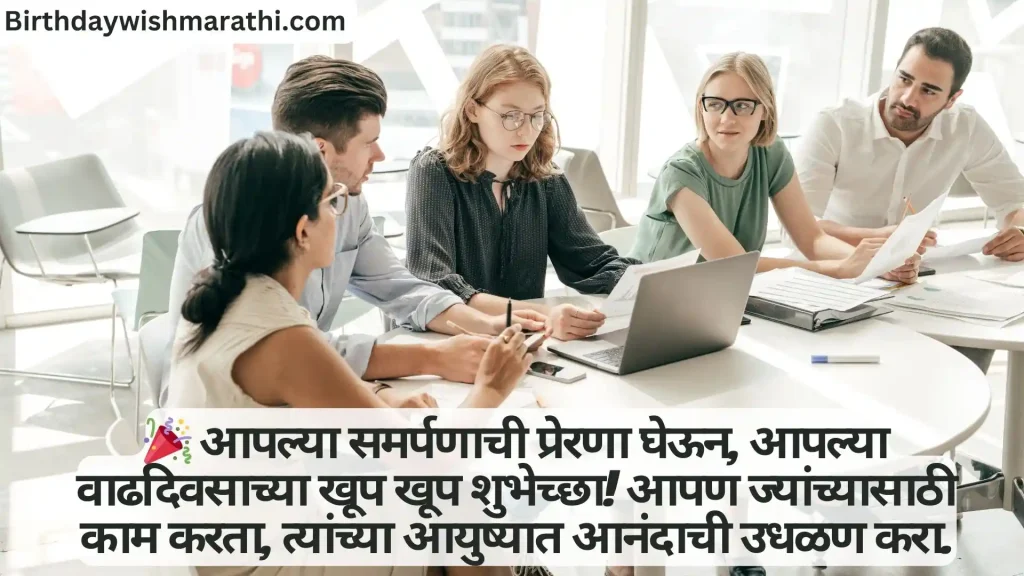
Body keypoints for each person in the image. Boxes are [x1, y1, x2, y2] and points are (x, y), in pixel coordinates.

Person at [165, 130, 533, 576]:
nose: (340, 213)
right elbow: (426, 460)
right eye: (330, 203)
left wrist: (379, 396)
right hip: (264, 562)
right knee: (465, 505)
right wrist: (490, 391)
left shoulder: (224, 296)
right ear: (303, 231)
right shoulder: (283, 335)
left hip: (228, 536)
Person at [162, 55, 547, 407]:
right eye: (371, 142)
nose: (379, 156)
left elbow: (397, 286)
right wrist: (484, 384)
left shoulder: (339, 214)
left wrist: (484, 324)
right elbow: (429, 465)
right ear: (320, 150)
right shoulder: (251, 262)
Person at [794, 27, 1024, 373]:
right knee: (866, 376)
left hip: (915, 280)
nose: (907, 98)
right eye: (904, 79)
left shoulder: (966, 127)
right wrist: (880, 242)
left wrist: (1019, 229)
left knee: (966, 358)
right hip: (836, 280)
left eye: (929, 91)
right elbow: (796, 227)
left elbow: (1014, 199)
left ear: (952, 99)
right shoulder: (835, 125)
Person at [404, 44, 641, 342]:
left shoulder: (545, 179)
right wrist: (541, 316)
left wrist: (646, 283)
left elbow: (591, 262)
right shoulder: (434, 172)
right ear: (472, 109)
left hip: (524, 344)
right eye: (511, 115)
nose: (526, 131)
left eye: (536, 115)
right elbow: (435, 283)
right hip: (447, 344)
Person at [627, 52, 920, 287]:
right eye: (714, 104)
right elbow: (734, 265)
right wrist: (839, 269)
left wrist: (881, 263)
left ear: (764, 109)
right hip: (651, 302)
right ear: (701, 108)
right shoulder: (682, 173)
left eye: (742, 105)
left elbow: (812, 239)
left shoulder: (770, 153)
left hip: (722, 298)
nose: (726, 118)